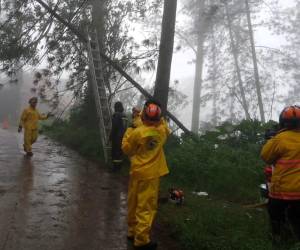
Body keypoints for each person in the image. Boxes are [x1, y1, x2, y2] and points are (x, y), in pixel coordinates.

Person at [122, 100, 170, 250]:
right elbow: (163, 124)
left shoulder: (137, 132)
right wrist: (153, 114)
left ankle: (132, 232)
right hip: (151, 176)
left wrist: (131, 126)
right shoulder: (162, 132)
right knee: (146, 207)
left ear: (144, 117)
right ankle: (142, 240)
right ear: (158, 118)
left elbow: (127, 149)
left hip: (137, 173)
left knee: (133, 203)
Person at [261, 105, 300, 242]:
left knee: (275, 215)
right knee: (296, 218)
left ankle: (277, 238)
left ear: (282, 122)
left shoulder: (279, 139)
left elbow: (266, 157)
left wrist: (272, 139)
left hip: (282, 191)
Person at [110, 101, 128, 171]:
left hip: (116, 137)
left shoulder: (116, 115)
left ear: (116, 107)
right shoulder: (125, 115)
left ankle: (115, 169)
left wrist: (110, 136)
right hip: (123, 137)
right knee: (120, 152)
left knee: (115, 152)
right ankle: (119, 168)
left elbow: (114, 127)